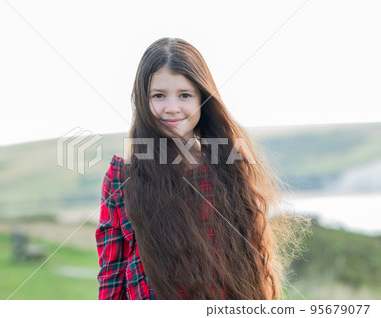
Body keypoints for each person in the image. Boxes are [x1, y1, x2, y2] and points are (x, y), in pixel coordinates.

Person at [95, 37, 309, 300]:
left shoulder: (229, 166)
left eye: (185, 95)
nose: (172, 108)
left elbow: (252, 261)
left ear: (202, 100)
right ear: (143, 100)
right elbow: (111, 273)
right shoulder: (121, 177)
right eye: (159, 96)